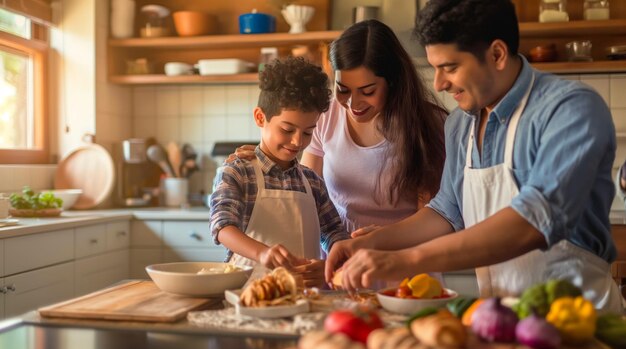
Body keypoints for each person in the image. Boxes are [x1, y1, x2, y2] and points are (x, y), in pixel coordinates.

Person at [326, 0, 624, 313]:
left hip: (582, 320)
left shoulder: (569, 109)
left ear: (497, 54)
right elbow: (445, 213)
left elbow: (534, 220)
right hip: (503, 319)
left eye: (450, 68)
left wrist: (405, 259)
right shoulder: (460, 124)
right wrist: (365, 243)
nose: (439, 83)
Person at [231, 19, 447, 236]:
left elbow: (434, 216)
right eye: (343, 89)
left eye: (368, 91)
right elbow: (304, 188)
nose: (353, 103)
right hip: (338, 251)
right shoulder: (325, 115)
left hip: (406, 256)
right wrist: (267, 161)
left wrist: (381, 240)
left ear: (393, 81)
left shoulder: (428, 123)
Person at [209, 57, 350, 288]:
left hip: (305, 296)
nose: (297, 141)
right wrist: (262, 254)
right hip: (247, 293)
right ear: (260, 117)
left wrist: (330, 265)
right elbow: (222, 227)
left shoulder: (312, 181)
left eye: (307, 132)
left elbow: (334, 232)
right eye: (287, 129)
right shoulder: (237, 172)